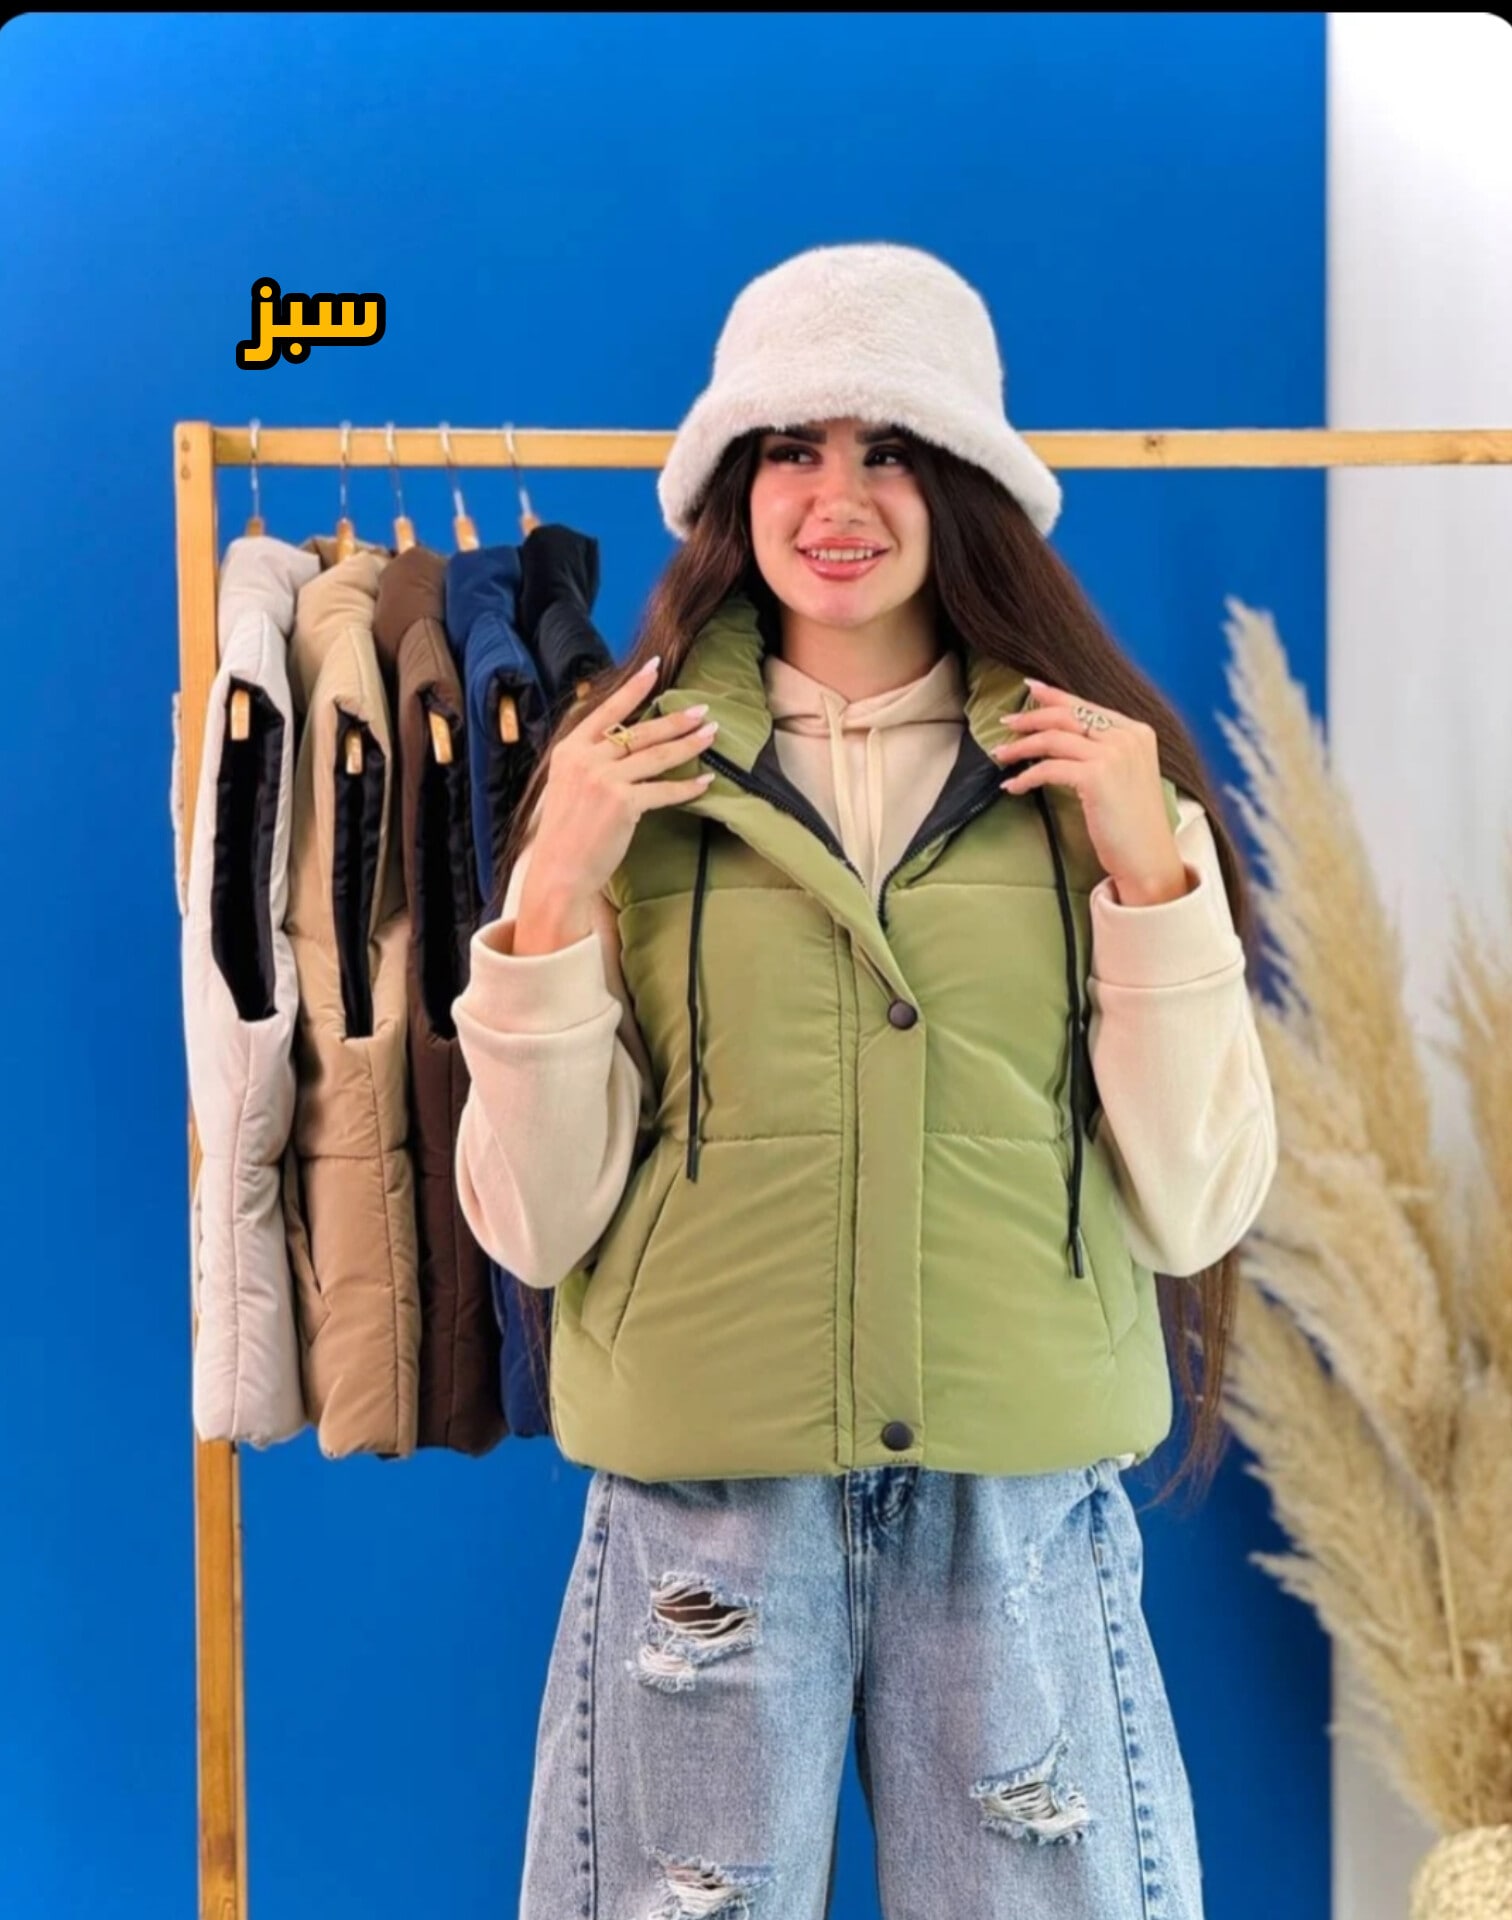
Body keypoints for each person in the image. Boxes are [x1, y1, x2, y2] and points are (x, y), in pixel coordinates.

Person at [452, 241, 1277, 1920]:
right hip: (706, 1503)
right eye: (791, 448)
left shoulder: (1096, 787)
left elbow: (1195, 1207)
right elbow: (532, 1227)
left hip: (1014, 1492)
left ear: (964, 480)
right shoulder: (622, 783)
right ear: (731, 488)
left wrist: (1153, 880)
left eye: (888, 446)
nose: (837, 498)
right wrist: (548, 902)